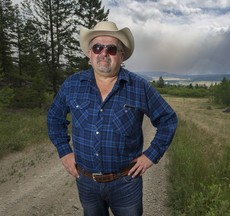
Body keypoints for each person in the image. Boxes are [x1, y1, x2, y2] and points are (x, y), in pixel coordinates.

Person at [47, 21, 178, 216]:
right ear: (90, 54)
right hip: (86, 182)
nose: (104, 53)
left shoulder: (139, 87)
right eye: (98, 47)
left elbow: (168, 119)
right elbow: (54, 118)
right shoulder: (72, 85)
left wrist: (151, 155)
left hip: (126, 183)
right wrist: (64, 151)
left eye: (112, 49)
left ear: (121, 55)